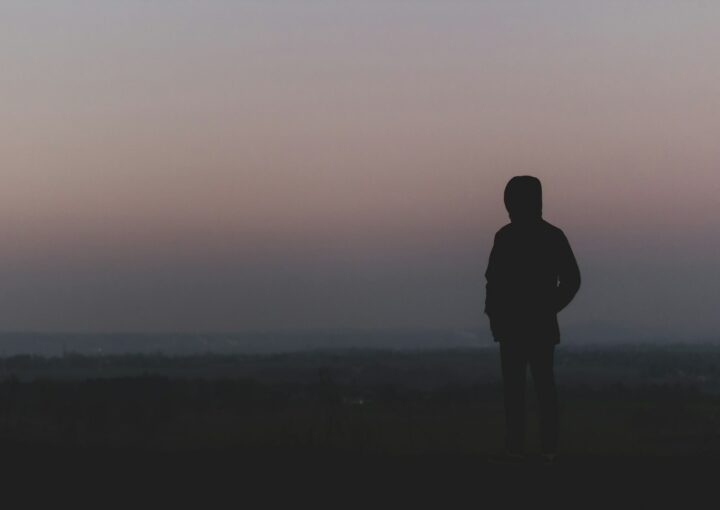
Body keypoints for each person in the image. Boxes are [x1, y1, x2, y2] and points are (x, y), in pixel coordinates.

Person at [485, 176, 581, 464]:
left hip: (527, 326)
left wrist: (548, 307)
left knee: (537, 390)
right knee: (522, 391)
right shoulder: (511, 236)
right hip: (520, 326)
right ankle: (527, 449)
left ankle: (542, 449)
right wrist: (495, 314)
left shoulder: (544, 236)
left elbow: (572, 280)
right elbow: (493, 281)